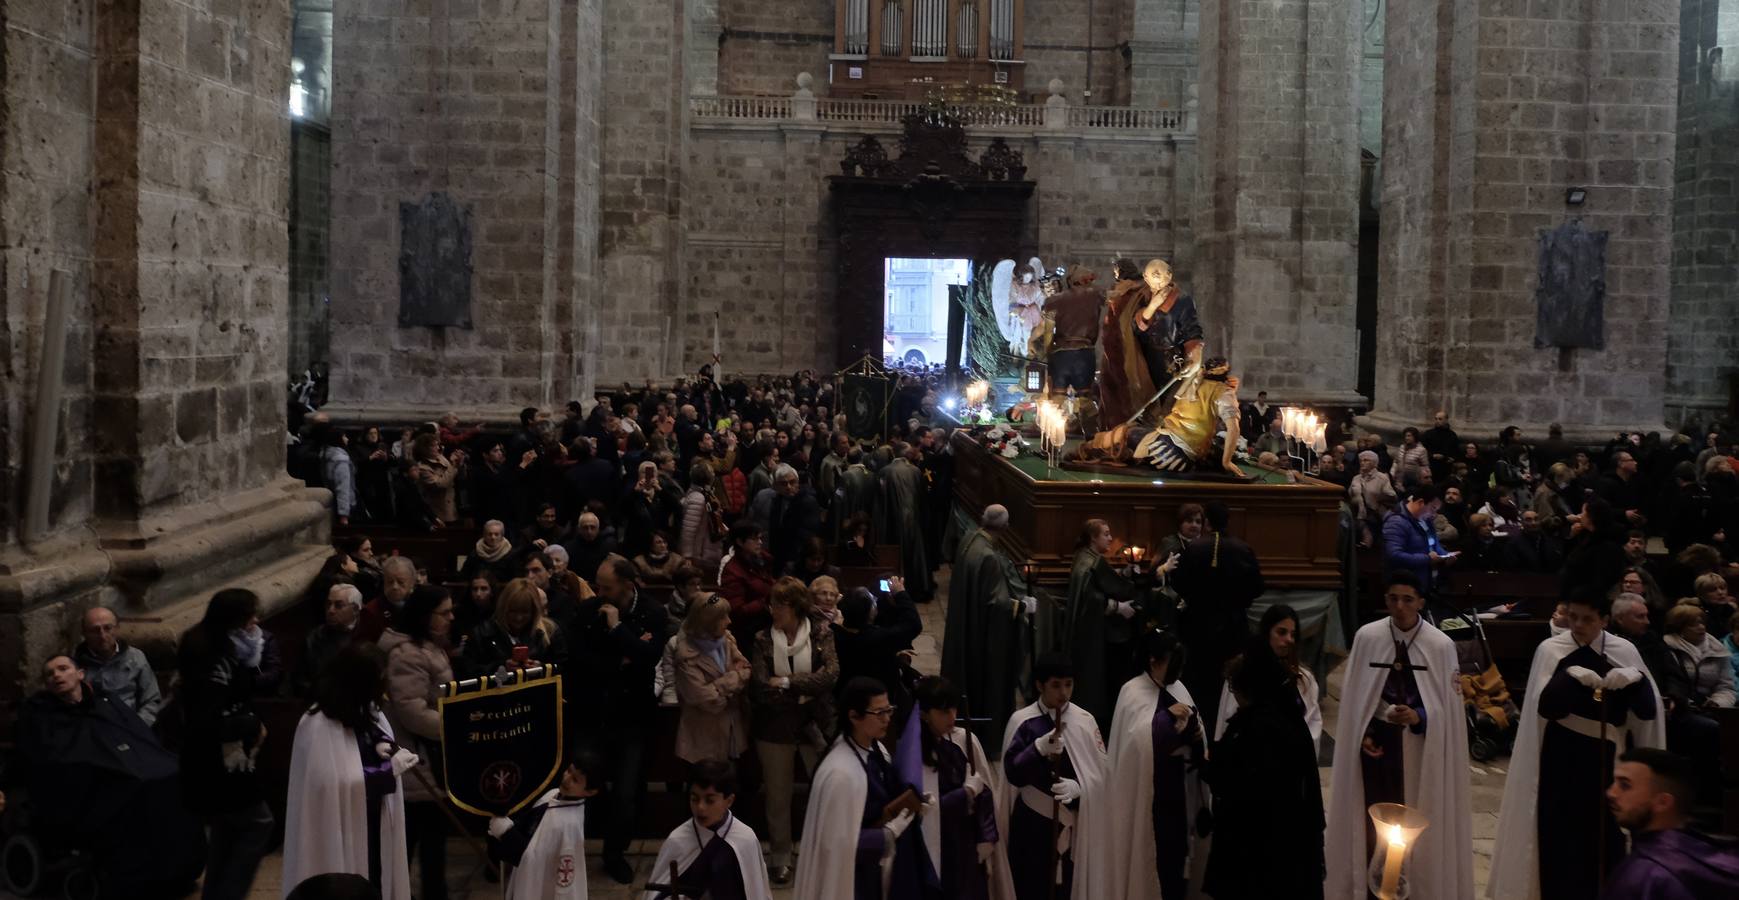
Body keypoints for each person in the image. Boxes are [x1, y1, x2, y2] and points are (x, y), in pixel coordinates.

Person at [1489, 589, 1666, 900]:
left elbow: (1647, 712)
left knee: (1605, 838)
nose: (1578, 625)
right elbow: (1546, 708)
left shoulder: (1623, 650)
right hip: (1562, 757)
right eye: (1573, 617)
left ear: (1605, 620)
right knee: (1562, 838)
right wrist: (1570, 677)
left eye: (1587, 619)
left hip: (1609, 757)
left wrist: (1633, 679)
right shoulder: (1552, 649)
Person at [1326, 572, 1472, 900]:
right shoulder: (1368, 637)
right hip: (1378, 750)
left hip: (1421, 749)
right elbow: (1356, 701)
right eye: (1393, 598)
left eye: (1408, 599)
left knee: (1418, 817)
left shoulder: (1439, 644)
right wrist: (1364, 733)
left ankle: (1417, 888)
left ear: (1421, 602)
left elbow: (1447, 709)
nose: (1400, 606)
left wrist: (1419, 715)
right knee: (1371, 822)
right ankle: (1370, 887)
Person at [9, 655, 205, 898]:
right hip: (87, 782)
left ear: (80, 674)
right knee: (137, 790)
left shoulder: (105, 702)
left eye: (63, 669)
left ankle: (180, 867)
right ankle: (137, 876)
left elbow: (137, 735)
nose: (57, 675)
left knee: (174, 776)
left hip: (126, 766)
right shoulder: (42, 714)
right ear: (46, 684)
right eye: (50, 674)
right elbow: (54, 757)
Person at [282, 643, 414, 899]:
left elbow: (360, 749)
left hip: (373, 822)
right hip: (340, 828)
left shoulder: (370, 712)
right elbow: (329, 786)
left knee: (376, 877)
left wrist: (381, 747)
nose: (383, 686)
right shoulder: (317, 724)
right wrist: (387, 771)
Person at [574, 555, 673, 883]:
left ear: (627, 586)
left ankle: (614, 853)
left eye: (607, 587)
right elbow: (580, 659)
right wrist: (621, 660)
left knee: (627, 792)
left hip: (633, 718)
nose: (599, 592)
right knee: (583, 787)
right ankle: (571, 850)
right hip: (595, 713)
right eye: (598, 585)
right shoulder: (588, 610)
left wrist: (617, 628)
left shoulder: (653, 613)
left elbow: (647, 659)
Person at [1203, 639, 1325, 900]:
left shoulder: (1263, 727)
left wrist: (1207, 762)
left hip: (1262, 853)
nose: (1235, 696)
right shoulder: (1283, 714)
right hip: (1283, 847)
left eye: (1236, 690)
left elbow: (1237, 783)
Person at [177, 589, 275, 900]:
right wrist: (251, 724)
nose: (255, 622)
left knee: (226, 830)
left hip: (222, 760)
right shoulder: (213, 657)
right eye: (250, 616)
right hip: (218, 762)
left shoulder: (223, 648)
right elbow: (207, 721)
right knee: (257, 823)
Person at [791, 677, 928, 900]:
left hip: (878, 870)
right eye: (879, 713)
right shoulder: (840, 774)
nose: (887, 719)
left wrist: (913, 804)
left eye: (889, 710)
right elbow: (837, 846)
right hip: (853, 881)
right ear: (854, 716)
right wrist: (887, 835)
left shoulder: (877, 750)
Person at [1098, 630, 1206, 900]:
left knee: (1177, 854)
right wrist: (1166, 719)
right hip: (1152, 791)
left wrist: (1193, 727)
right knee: (1156, 854)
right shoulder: (1132, 692)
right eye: (1173, 661)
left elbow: (1198, 731)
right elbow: (1137, 746)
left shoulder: (1179, 687)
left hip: (1179, 788)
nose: (1178, 669)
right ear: (1153, 661)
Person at [996, 652, 1109, 900]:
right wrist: (1037, 749)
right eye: (1056, 685)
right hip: (1032, 825)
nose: (1064, 693)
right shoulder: (1023, 721)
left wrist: (1081, 788)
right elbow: (1012, 774)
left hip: (1072, 827)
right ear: (1039, 685)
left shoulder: (1084, 721)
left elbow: (1102, 777)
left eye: (1068, 684)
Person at [749, 577, 839, 884]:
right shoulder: (763, 639)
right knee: (777, 797)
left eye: (780, 604)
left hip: (815, 726)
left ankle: (824, 853)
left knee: (825, 792)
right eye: (772, 603)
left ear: (796, 607)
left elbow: (830, 674)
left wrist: (787, 682)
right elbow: (761, 687)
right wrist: (805, 689)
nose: (773, 609)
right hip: (774, 729)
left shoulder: (820, 634)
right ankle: (781, 858)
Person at [897, 677, 1016, 900]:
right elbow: (927, 814)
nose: (952, 716)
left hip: (965, 848)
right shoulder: (916, 761)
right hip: (940, 853)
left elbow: (983, 792)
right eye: (943, 711)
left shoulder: (952, 749)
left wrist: (985, 836)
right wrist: (966, 793)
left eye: (953, 708)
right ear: (923, 714)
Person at [379, 585, 457, 900]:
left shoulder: (428, 645)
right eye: (445, 612)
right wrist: (455, 726)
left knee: (434, 842)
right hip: (417, 762)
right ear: (426, 616)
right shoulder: (407, 653)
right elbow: (412, 712)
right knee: (414, 840)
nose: (451, 618)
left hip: (431, 758)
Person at [942, 504, 1035, 755]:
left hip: (967, 622)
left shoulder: (969, 539)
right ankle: (990, 739)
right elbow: (997, 605)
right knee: (987, 681)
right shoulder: (989, 557)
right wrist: (1022, 605)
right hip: (981, 634)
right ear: (1005, 528)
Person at [1171, 501, 1264, 738]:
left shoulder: (1195, 548)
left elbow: (1179, 583)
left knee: (1201, 683)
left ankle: (1199, 729)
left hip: (1199, 627)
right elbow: (1257, 586)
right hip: (1234, 627)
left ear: (1207, 522)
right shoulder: (1243, 549)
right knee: (1230, 679)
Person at [1603, 748, 1739, 898]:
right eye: (1614, 783)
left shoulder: (1645, 874)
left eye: (1625, 785)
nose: (1611, 793)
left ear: (1663, 802)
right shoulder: (1720, 858)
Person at [643, 760, 774, 900]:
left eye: (709, 800)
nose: (700, 807)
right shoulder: (678, 840)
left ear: (729, 801)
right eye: (694, 799)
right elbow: (656, 894)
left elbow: (756, 891)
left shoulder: (745, 838)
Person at [488, 749, 605, 899]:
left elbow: (533, 861)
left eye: (575, 780)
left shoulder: (567, 825)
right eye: (568, 770)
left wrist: (505, 831)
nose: (567, 779)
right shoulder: (552, 794)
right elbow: (529, 828)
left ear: (590, 792)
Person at [1062, 517, 1143, 730]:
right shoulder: (1091, 562)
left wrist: (1123, 574)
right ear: (1092, 538)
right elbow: (1093, 598)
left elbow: (1103, 581)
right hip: (1090, 635)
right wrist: (1118, 607)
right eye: (1106, 534)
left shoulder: (1084, 557)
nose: (1110, 538)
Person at [1214, 603, 1323, 746]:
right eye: (1282, 632)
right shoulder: (1242, 670)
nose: (1289, 639)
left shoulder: (1304, 679)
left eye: (1293, 635)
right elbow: (1229, 717)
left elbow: (1312, 724)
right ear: (1267, 633)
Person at [673, 594, 753, 765]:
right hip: (702, 739)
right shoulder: (685, 653)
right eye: (722, 617)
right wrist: (733, 679)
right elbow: (706, 700)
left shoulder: (728, 640)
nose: (729, 621)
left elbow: (746, 670)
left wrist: (718, 687)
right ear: (707, 621)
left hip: (732, 731)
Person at [73, 605, 162, 726]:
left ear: (117, 628)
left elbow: (152, 700)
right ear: (84, 633)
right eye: (95, 630)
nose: (103, 636)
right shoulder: (74, 666)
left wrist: (138, 727)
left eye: (108, 628)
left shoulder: (135, 657)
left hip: (133, 726)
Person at [463, 577, 564, 676]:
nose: (518, 618)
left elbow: (564, 667)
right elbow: (468, 671)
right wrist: (500, 668)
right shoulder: (481, 634)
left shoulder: (550, 632)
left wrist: (542, 669)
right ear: (503, 608)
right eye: (513, 611)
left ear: (534, 611)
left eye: (525, 612)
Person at [881, 444, 934, 601]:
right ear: (908, 455)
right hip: (914, 519)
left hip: (893, 520)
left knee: (896, 556)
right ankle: (918, 588)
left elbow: (882, 502)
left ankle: (896, 590)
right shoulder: (916, 471)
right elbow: (923, 498)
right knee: (916, 555)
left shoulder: (885, 471)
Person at [292, 584, 363, 697]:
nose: (330, 610)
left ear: (355, 609)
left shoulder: (368, 631)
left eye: (338, 605)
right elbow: (301, 681)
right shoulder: (314, 639)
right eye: (328, 604)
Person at [1662, 601, 1737, 708]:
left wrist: (1717, 703)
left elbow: (1727, 687)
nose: (1701, 627)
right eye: (1694, 624)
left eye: (1702, 623)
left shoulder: (1719, 650)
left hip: (1713, 708)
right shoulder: (1666, 649)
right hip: (1680, 706)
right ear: (1679, 628)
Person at [719, 523, 776, 646]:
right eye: (755, 539)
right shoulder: (732, 571)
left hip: (767, 622)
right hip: (747, 631)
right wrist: (765, 601)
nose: (760, 542)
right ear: (740, 541)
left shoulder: (763, 561)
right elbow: (737, 610)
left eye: (760, 538)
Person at [356, 556, 418, 643]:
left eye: (400, 582)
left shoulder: (420, 607)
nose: (394, 587)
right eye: (390, 581)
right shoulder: (370, 611)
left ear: (412, 583)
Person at [678, 462, 726, 572]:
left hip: (704, 548)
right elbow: (688, 530)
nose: (714, 475)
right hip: (698, 552)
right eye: (712, 472)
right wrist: (687, 556)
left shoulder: (705, 495)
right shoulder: (698, 499)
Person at [464, 519, 519, 583]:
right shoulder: (475, 554)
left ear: (502, 536)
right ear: (484, 535)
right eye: (490, 534)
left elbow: (515, 580)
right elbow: (465, 575)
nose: (493, 537)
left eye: (496, 534)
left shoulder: (511, 555)